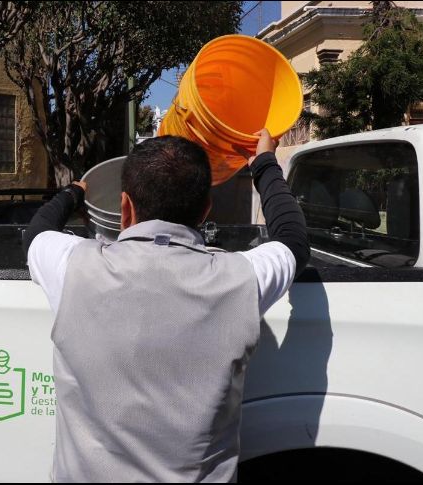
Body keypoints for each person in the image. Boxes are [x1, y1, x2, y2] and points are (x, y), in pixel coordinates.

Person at [23, 130, 309, 482]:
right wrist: (264, 163)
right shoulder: (241, 278)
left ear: (125, 207)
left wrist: (74, 193)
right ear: (205, 210)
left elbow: (36, 232)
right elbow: (293, 240)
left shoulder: (73, 267)